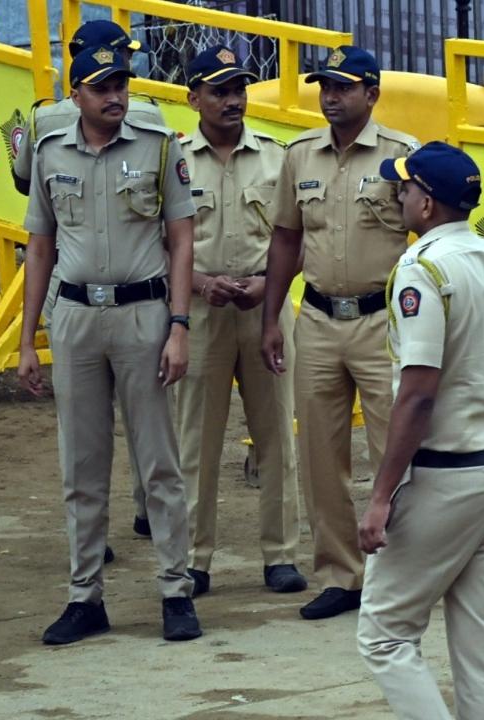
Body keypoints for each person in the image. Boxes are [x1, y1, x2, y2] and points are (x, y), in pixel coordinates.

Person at [18, 45, 202, 644]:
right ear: (76, 95)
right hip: (74, 318)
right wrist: (27, 341)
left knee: (159, 463)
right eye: (100, 86)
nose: (114, 96)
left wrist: (179, 325)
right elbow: (39, 249)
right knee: (82, 464)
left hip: (143, 316)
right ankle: (84, 596)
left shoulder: (157, 145)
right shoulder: (48, 152)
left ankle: (177, 591)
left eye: (120, 83)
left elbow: (181, 240)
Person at [356, 141, 484, 720]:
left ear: (429, 205)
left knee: (385, 637)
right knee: (479, 645)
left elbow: (417, 394)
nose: (400, 195)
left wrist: (382, 496)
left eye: (407, 188)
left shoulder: (422, 269)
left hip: (445, 478)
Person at [261, 45, 418, 621]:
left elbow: (426, 237)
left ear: (371, 94)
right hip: (319, 319)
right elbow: (284, 238)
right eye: (325, 86)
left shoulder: (403, 157)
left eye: (344, 87)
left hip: (384, 322)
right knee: (321, 454)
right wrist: (272, 319)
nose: (331, 96)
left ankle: (399, 573)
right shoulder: (300, 156)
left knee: (395, 452)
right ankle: (341, 576)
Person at [11, 19, 163, 540]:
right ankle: (146, 510)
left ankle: (91, 536)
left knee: (79, 433)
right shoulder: (153, 118)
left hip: (67, 285)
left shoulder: (40, 120)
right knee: (151, 422)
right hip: (138, 284)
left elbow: (25, 187)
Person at [175, 46, 306, 597]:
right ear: (193, 98)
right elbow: (159, 244)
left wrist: (267, 289)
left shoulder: (278, 159)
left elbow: (299, 239)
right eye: (219, 91)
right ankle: (191, 559)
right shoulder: (174, 161)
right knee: (194, 442)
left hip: (266, 313)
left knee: (277, 433)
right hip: (201, 313)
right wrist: (201, 286)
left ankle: (280, 555)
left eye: (239, 90)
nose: (233, 101)